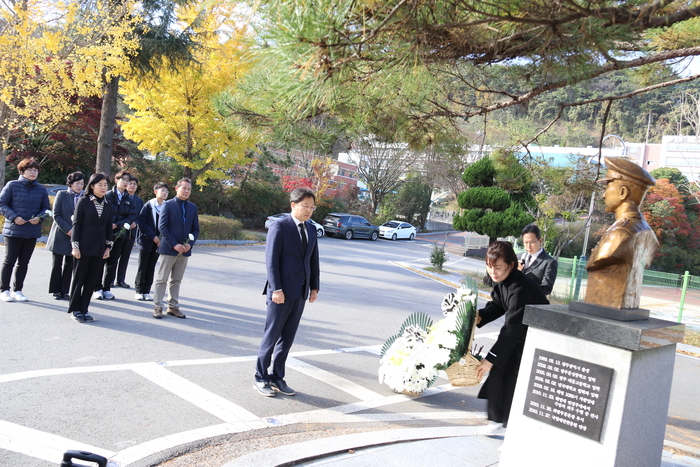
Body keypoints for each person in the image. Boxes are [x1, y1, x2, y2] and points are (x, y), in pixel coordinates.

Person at [475, 240, 549, 436]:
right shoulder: (502, 282)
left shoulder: (520, 287)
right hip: (520, 335)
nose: (493, 272)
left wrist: (490, 359)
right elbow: (498, 305)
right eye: (490, 267)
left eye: (498, 267)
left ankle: (510, 429)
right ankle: (496, 421)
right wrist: (480, 316)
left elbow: (512, 327)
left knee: (513, 380)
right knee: (498, 375)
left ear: (511, 265)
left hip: (537, 337)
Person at [254, 187, 320, 397]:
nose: (309, 210)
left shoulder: (310, 228)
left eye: (312, 207)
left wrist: (314, 286)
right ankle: (261, 377)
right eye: (305, 206)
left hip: (300, 292)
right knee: (271, 336)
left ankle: (277, 377)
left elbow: (313, 259)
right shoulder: (279, 226)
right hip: (280, 292)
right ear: (293, 205)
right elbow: (271, 260)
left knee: (288, 338)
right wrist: (277, 288)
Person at [585, 157, 658, 309]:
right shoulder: (646, 232)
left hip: (608, 305)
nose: (603, 195)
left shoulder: (620, 234)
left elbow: (596, 261)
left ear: (623, 192)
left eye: (607, 187)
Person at [0, 158, 50, 302]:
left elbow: (46, 209)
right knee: (9, 261)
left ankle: (18, 290)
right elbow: (2, 204)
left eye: (36, 170)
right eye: (30, 169)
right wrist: (14, 217)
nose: (33, 172)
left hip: (31, 231)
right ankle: (4, 290)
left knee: (24, 263)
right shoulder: (12, 185)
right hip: (14, 230)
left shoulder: (41, 189)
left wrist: (39, 218)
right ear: (22, 171)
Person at [68, 173, 113, 323]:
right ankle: (75, 309)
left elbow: (108, 228)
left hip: (99, 249)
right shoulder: (84, 201)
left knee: (91, 280)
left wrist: (108, 247)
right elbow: (77, 225)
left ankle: (84, 309)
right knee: (79, 279)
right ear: (92, 186)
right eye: (100, 184)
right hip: (83, 247)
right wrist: (75, 246)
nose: (103, 187)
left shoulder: (108, 204)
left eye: (105, 185)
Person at [153, 178, 199, 319]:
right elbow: (163, 227)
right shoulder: (168, 205)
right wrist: (174, 244)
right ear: (176, 188)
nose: (186, 191)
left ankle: (173, 307)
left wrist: (188, 244)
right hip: (169, 248)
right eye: (184, 188)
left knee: (176, 280)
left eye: (189, 189)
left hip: (185, 250)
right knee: (162, 279)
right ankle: (158, 307)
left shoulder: (192, 207)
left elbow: (196, 229)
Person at [94, 170, 138, 300]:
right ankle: (97, 288)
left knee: (113, 262)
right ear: (116, 180)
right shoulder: (107, 196)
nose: (126, 183)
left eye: (128, 181)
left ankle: (107, 288)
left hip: (120, 234)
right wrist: (110, 224)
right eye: (123, 180)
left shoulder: (130, 199)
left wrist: (118, 224)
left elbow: (131, 216)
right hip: (104, 233)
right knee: (100, 261)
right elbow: (101, 212)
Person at [45, 172, 85, 300]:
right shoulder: (62, 194)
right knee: (57, 264)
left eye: (82, 184)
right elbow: (56, 214)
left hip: (76, 236)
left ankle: (65, 290)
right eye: (77, 183)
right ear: (71, 183)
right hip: (60, 234)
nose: (80, 186)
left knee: (70, 264)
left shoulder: (84, 197)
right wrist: (68, 230)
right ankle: (55, 290)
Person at [134, 182, 169, 301]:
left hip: (159, 243)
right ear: (155, 192)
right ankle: (139, 290)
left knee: (152, 266)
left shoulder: (167, 206)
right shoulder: (149, 205)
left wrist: (161, 239)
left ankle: (146, 290)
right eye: (162, 190)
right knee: (143, 266)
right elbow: (142, 223)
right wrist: (153, 237)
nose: (165, 193)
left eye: (167, 191)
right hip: (147, 241)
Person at [115, 176, 144, 289]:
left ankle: (120, 279)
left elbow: (141, 216)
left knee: (125, 257)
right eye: (130, 183)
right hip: (119, 231)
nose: (132, 186)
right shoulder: (121, 198)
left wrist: (135, 223)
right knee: (114, 256)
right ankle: (109, 279)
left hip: (131, 233)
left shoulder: (139, 201)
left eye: (134, 184)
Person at [517, 224, 558, 296]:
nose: (528, 246)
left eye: (532, 242)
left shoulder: (549, 262)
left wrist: (526, 286)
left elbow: (546, 289)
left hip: (532, 303)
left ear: (540, 240)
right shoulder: (518, 256)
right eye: (525, 242)